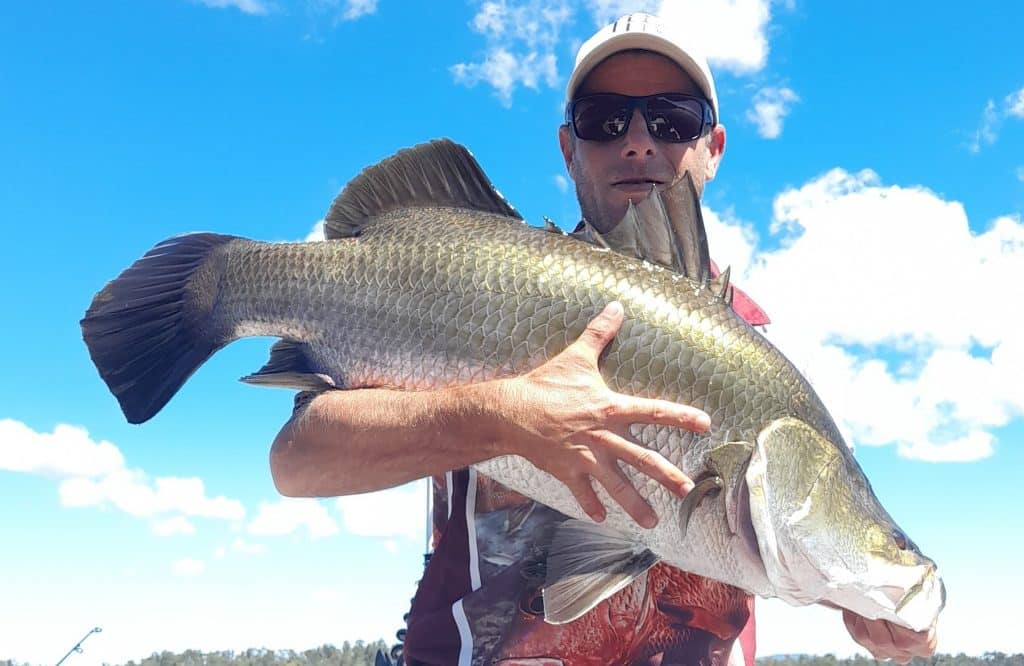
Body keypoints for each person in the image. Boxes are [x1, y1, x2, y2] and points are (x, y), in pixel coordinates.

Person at [270, 12, 938, 666]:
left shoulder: (771, 362)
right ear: (568, 146)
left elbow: (797, 534)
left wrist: (887, 612)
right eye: (605, 120)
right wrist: (498, 417)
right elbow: (296, 466)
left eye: (673, 119)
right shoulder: (474, 284)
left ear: (715, 147)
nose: (640, 142)